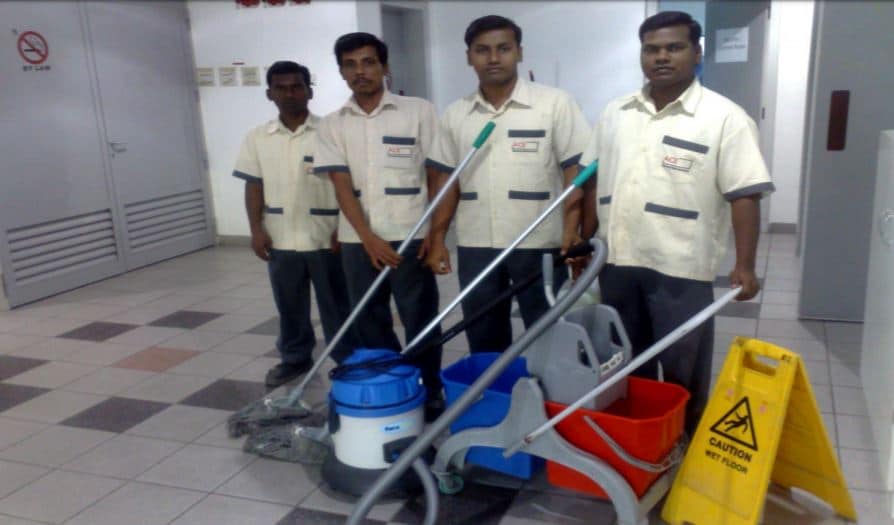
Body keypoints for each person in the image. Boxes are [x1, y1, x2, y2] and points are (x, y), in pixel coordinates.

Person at [579, 11, 775, 433]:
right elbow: (592, 179)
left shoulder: (725, 118)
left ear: (697, 53)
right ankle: (639, 439)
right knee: (627, 359)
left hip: (682, 266)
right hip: (618, 261)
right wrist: (583, 241)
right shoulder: (616, 112)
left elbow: (744, 195)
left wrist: (744, 265)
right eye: (652, 49)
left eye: (674, 47)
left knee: (684, 364)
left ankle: (684, 442)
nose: (661, 57)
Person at [424, 15, 591, 353]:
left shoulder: (554, 104)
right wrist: (438, 237)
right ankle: (493, 396)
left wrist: (573, 231)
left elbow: (575, 170)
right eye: (482, 50)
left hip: (540, 240)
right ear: (469, 57)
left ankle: (547, 401)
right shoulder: (457, 115)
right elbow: (446, 181)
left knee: (547, 330)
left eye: (503, 49)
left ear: (520, 52)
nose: (494, 58)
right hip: (476, 244)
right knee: (483, 331)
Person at [313, 33, 444, 420]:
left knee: (420, 316)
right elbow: (341, 186)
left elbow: (437, 174)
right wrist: (368, 238)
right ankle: (390, 383)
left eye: (369, 62)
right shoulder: (333, 125)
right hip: (359, 241)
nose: (360, 72)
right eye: (351, 65)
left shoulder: (417, 111)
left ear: (385, 67)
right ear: (341, 72)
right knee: (369, 317)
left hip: (411, 234)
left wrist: (435, 233)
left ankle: (429, 386)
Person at [232, 61, 356, 388]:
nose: (289, 93)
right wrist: (256, 230)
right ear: (269, 93)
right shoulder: (258, 138)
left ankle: (347, 359)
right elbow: (253, 185)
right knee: (289, 306)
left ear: (309, 90)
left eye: (296, 86)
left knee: (337, 304)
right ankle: (295, 359)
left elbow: (350, 184)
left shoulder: (331, 132)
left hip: (326, 238)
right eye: (281, 87)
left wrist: (343, 227)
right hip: (280, 237)